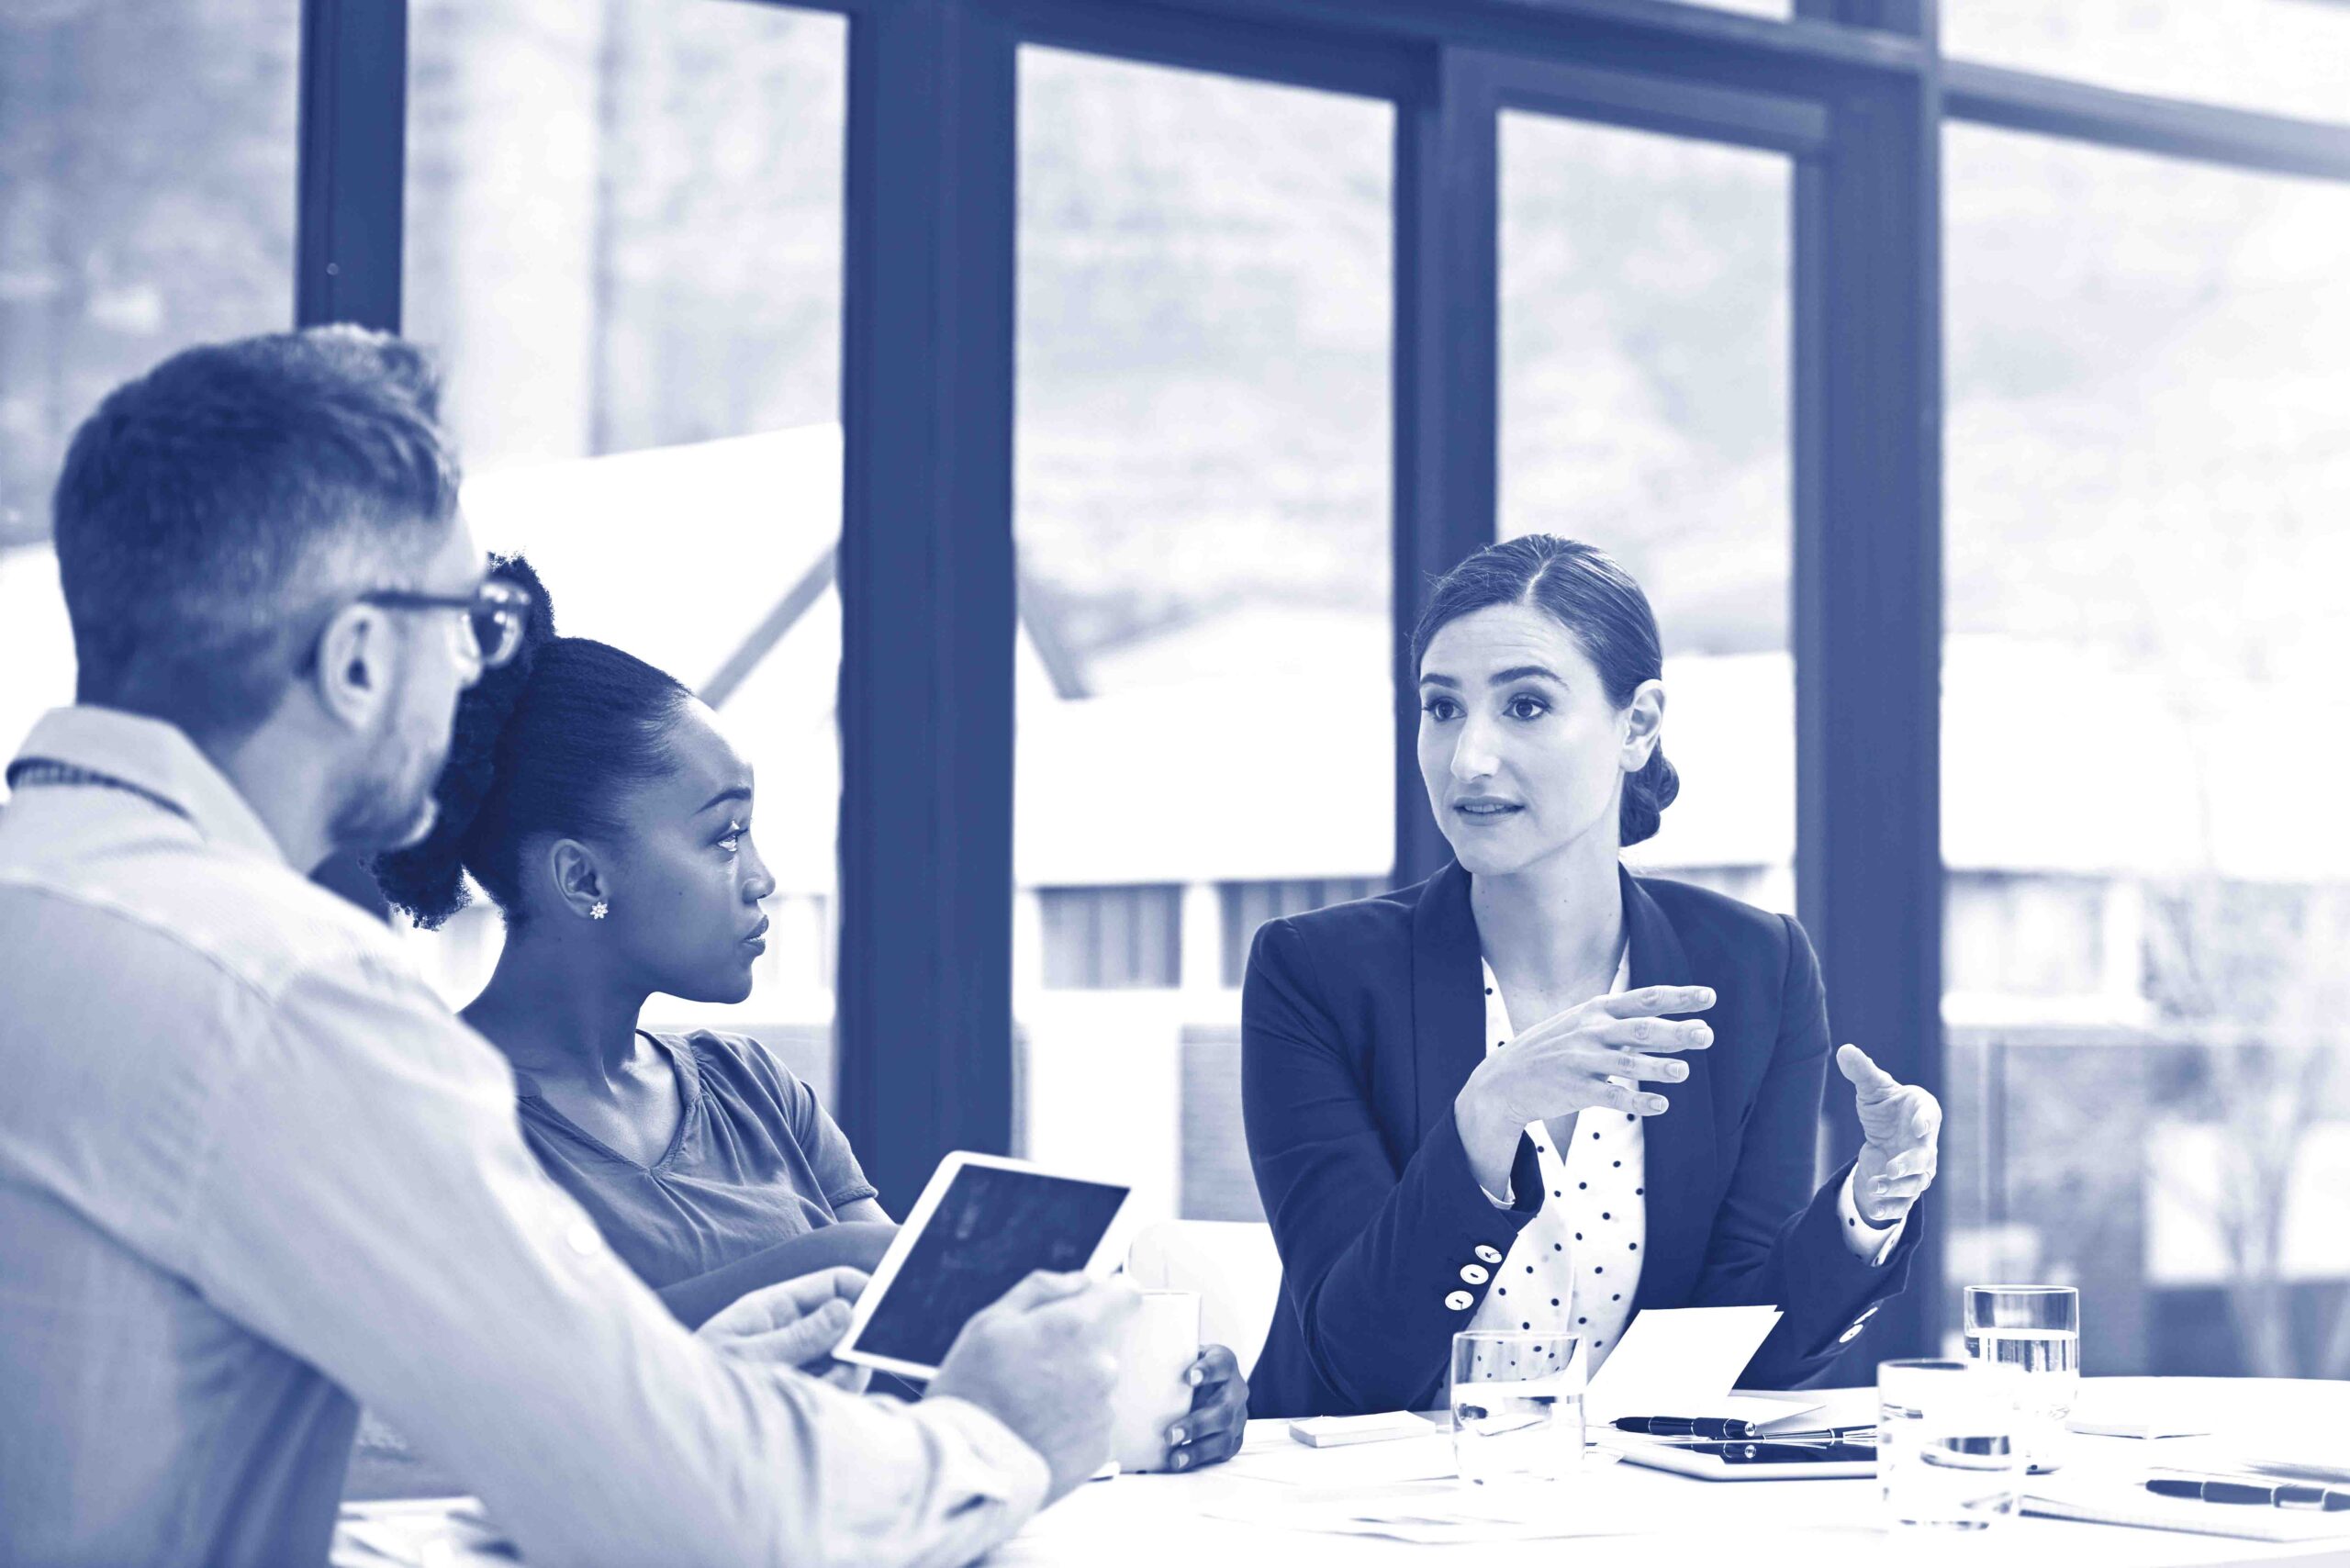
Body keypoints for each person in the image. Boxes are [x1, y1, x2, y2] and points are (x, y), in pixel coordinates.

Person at [0, 327, 1138, 1568]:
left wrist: (669, 1385)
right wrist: (995, 1434)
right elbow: (704, 1519)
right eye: (467, 626)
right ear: (361, 657)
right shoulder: (286, 994)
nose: (474, 679)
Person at [369, 553, 1249, 1472]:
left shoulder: (753, 1088)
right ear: (584, 876)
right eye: (724, 836)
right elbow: (506, 1387)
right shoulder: (439, 1115)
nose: (762, 878)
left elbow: (919, 1353)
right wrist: (825, 1261)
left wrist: (1145, 1385)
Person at [1241, 535, 1941, 1417]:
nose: (1467, 759)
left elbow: (1746, 1350)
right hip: (1365, 1522)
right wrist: (1484, 1120)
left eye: (1525, 706)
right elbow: (1357, 1363)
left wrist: (1867, 1208)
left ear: (1638, 725)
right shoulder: (1314, 975)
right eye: (1442, 708)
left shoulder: (1757, 967)